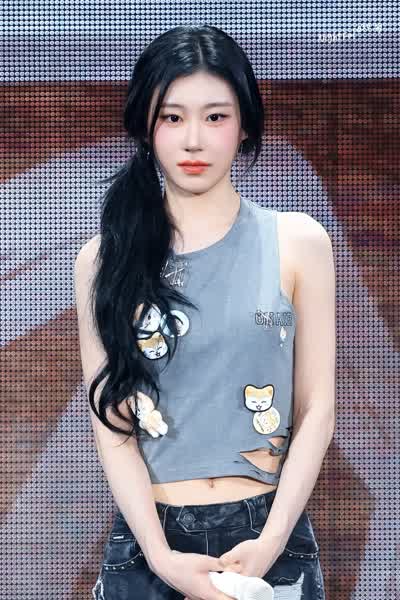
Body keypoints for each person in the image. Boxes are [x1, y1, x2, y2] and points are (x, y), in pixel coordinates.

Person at [74, 24, 336, 600]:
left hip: (268, 535)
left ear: (245, 126)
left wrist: (270, 542)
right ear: (147, 127)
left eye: (215, 117)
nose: (194, 140)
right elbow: (112, 425)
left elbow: (317, 409)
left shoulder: (299, 243)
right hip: (150, 544)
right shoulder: (103, 260)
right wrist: (160, 556)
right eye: (172, 117)